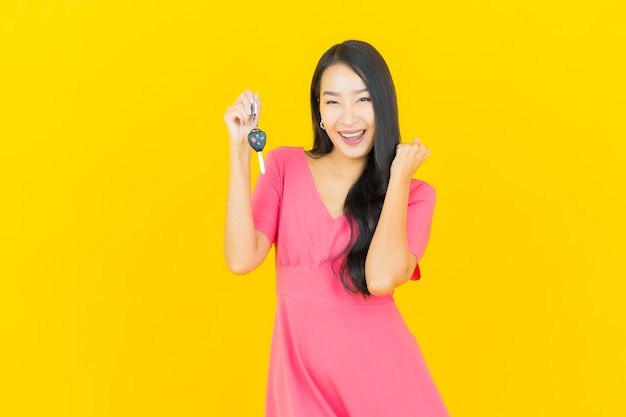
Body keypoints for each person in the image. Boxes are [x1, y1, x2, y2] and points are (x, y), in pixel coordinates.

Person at [224, 40, 449, 417]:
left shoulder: (416, 195)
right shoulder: (284, 167)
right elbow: (240, 258)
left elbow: (379, 279)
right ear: (319, 111)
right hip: (301, 383)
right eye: (333, 102)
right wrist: (238, 149)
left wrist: (397, 180)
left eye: (363, 100)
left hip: (388, 387)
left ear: (384, 104)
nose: (348, 118)